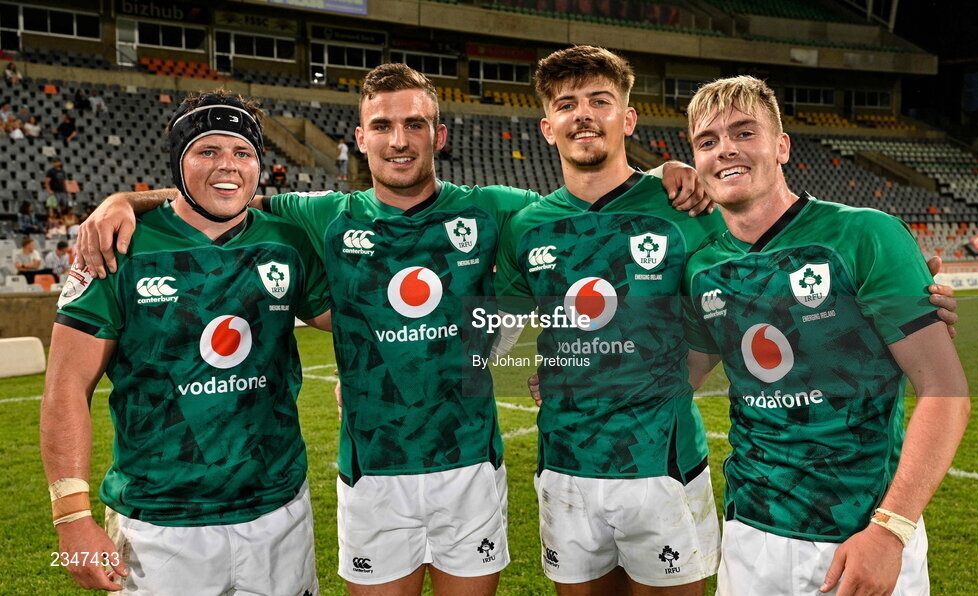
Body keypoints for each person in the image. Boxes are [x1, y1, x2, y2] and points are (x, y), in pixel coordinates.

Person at [74, 63, 710, 596]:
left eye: (413, 124)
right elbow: (222, 190)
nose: (399, 139)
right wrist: (125, 201)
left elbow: (589, 196)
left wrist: (663, 175)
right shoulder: (321, 213)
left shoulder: (493, 209)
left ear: (438, 133)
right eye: (382, 125)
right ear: (359, 137)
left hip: (469, 466)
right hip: (372, 472)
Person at [681, 75, 970, 595]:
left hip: (863, 535)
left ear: (782, 146)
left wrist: (890, 531)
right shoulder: (703, 266)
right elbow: (675, 377)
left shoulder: (865, 235)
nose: (726, 149)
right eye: (708, 141)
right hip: (751, 535)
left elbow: (945, 394)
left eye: (745, 133)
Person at [39, 91, 331, 594]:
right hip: (161, 523)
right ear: (178, 161)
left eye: (243, 153)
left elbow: (356, 321)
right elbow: (66, 386)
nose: (229, 166)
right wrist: (70, 517)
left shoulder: (288, 240)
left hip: (278, 510)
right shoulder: (118, 246)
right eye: (208, 151)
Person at [494, 45, 726, 596]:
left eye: (600, 100)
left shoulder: (684, 207)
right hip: (566, 462)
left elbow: (734, 311)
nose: (583, 114)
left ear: (627, 118)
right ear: (547, 127)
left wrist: (678, 381)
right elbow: (496, 330)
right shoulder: (528, 226)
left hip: (662, 462)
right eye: (566, 103)